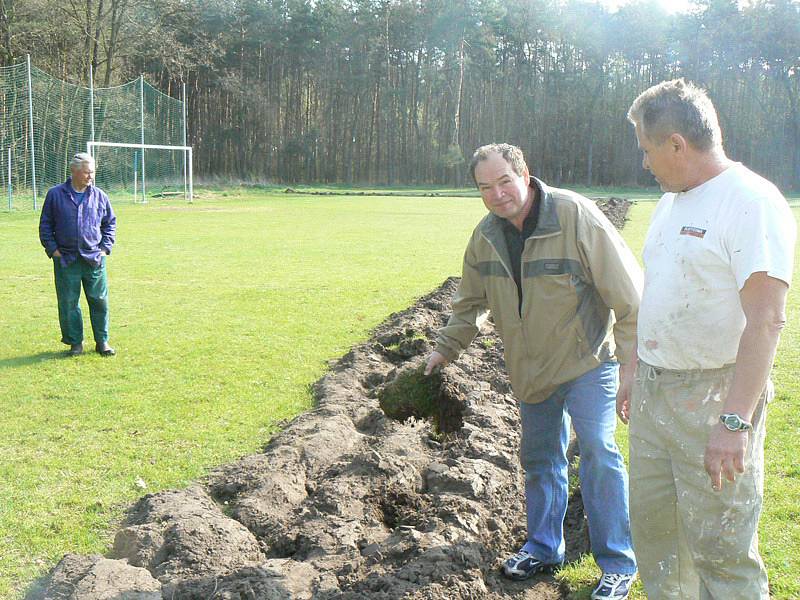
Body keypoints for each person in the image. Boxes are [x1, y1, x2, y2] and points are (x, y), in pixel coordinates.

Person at [425, 143, 642, 600]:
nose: (498, 194)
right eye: (486, 187)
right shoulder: (485, 237)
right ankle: (544, 547)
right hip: (530, 372)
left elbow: (629, 295)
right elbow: (468, 304)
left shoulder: (574, 215)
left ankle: (618, 563)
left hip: (588, 364)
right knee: (541, 460)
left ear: (525, 175)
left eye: (504, 181)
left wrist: (630, 366)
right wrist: (443, 351)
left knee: (600, 454)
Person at [623, 79, 796, 599]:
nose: (645, 163)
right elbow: (656, 295)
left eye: (647, 149)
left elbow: (766, 319)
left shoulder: (751, 202)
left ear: (676, 143)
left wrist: (735, 420)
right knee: (659, 543)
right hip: (655, 393)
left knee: (722, 551)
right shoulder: (670, 204)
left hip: (715, 398)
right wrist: (634, 368)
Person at [39, 152, 117, 356]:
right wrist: (53, 250)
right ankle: (75, 343)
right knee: (68, 302)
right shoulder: (55, 194)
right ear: (73, 171)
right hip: (66, 259)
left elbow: (110, 224)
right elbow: (45, 225)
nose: (90, 176)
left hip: (94, 259)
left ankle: (102, 341)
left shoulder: (100, 195)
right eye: (86, 172)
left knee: (99, 301)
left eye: (92, 172)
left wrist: (104, 248)